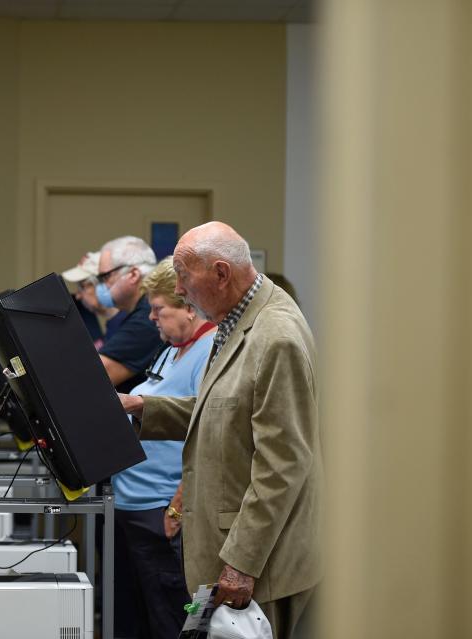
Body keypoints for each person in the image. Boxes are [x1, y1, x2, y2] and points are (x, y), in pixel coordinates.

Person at [119, 222, 322, 639]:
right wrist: (143, 407)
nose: (178, 289)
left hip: (261, 563)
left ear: (221, 273)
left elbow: (283, 463)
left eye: (184, 275)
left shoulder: (275, 335)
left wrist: (241, 563)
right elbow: (223, 412)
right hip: (230, 550)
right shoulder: (234, 321)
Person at [111, 257, 216, 639]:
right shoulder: (173, 348)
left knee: (175, 620)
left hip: (164, 512)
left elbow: (210, 437)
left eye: (158, 310)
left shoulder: (209, 353)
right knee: (152, 618)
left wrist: (179, 505)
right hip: (137, 504)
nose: (151, 318)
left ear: (189, 308)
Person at [95, 236, 162, 393]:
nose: (102, 285)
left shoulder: (147, 318)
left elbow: (93, 377)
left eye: (105, 277)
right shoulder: (139, 312)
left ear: (133, 274)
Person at [62, 251, 126, 348]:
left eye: (82, 287)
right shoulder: (114, 325)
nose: (78, 296)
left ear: (104, 283)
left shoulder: (125, 327)